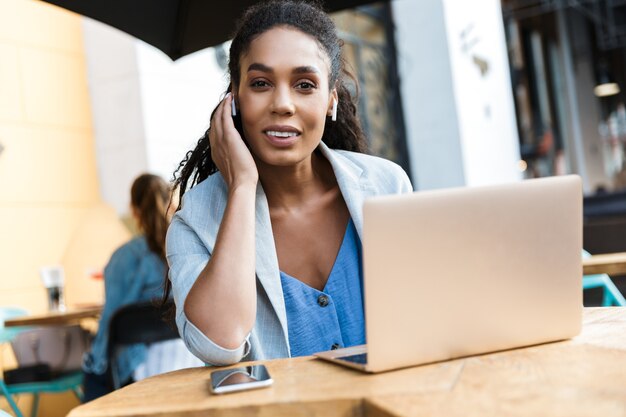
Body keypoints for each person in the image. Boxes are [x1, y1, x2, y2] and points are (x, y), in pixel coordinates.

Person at [165, 0, 413, 367]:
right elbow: (220, 345)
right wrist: (242, 187)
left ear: (331, 100)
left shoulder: (386, 186)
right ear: (234, 98)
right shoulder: (195, 222)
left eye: (304, 85)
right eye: (261, 83)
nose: (282, 104)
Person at [82, 173, 172, 402]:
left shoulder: (124, 257)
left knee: (93, 372)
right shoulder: (187, 248)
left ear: (134, 210)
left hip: (136, 369)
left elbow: (111, 321)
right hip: (189, 359)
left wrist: (94, 360)